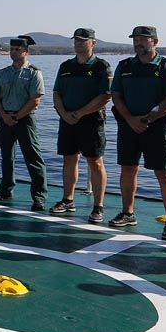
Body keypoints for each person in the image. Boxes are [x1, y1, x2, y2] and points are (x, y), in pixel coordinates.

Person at [109, 25, 166, 239]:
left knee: (164, 174)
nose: (138, 42)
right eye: (135, 39)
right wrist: (131, 119)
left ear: (155, 42)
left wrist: (148, 118)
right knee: (128, 169)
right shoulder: (124, 66)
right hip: (129, 124)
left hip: (158, 126)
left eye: (143, 39)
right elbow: (116, 95)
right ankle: (127, 212)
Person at [50, 28, 111, 224]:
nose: (78, 43)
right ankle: (68, 200)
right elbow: (57, 93)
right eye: (76, 40)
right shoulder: (66, 66)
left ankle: (98, 206)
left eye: (83, 40)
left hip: (91, 120)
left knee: (95, 161)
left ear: (93, 43)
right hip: (68, 120)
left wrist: (80, 113)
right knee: (69, 159)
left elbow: (105, 96)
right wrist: (65, 114)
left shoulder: (102, 66)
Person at [0, 36, 47, 211]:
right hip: (5, 118)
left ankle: (39, 196)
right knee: (7, 157)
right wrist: (4, 115)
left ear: (26, 51)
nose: (13, 52)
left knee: (33, 157)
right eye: (11, 49)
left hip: (25, 120)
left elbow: (35, 100)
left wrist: (16, 117)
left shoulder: (33, 73)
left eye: (17, 49)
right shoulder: (3, 73)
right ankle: (5, 190)